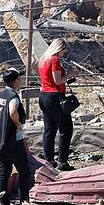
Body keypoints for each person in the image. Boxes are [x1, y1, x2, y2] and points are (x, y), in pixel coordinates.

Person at [0, 68, 30, 205]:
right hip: (13, 140)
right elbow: (12, 111)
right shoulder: (13, 97)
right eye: (19, 79)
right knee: (24, 171)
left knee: (4, 170)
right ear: (16, 81)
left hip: (1, 140)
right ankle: (24, 200)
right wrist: (17, 123)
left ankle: (3, 200)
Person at [38, 38, 77, 171]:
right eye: (64, 51)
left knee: (49, 129)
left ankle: (49, 160)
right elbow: (58, 80)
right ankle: (62, 162)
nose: (64, 54)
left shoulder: (43, 59)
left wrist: (67, 75)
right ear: (59, 48)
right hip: (54, 96)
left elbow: (49, 79)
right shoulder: (54, 60)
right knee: (66, 129)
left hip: (44, 95)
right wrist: (70, 74)